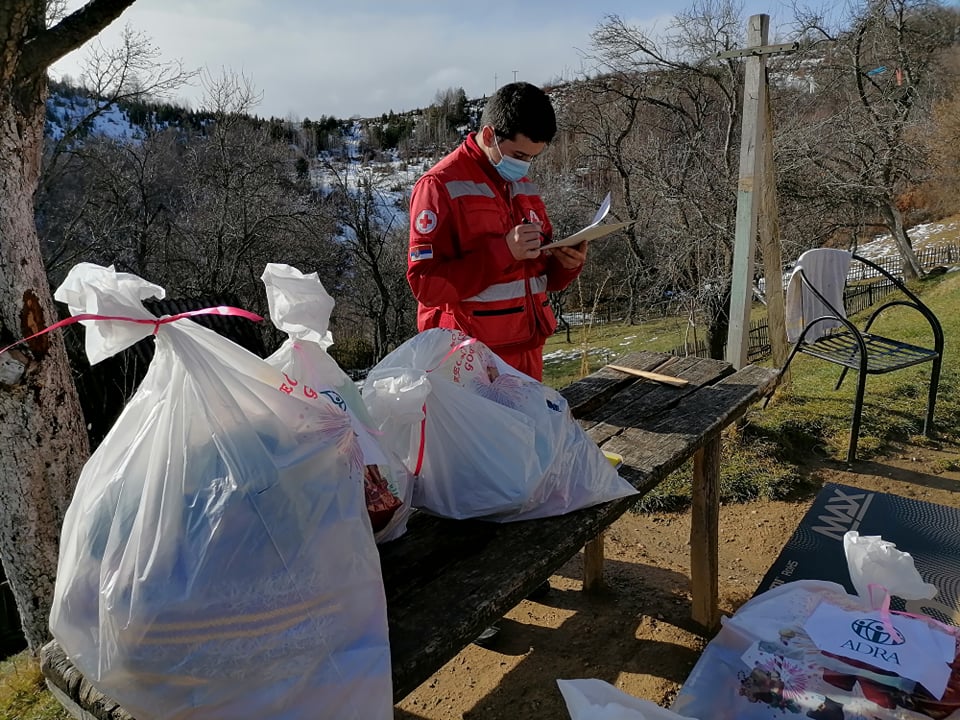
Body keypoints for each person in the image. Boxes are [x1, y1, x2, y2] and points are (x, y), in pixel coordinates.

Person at [406, 81, 586, 381]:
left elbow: (537, 274)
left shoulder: (522, 185)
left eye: (532, 157)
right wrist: (504, 251)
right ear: (489, 135)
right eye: (520, 155)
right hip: (470, 360)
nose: (525, 165)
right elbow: (425, 286)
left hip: (527, 349)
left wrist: (566, 265)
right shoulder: (438, 186)